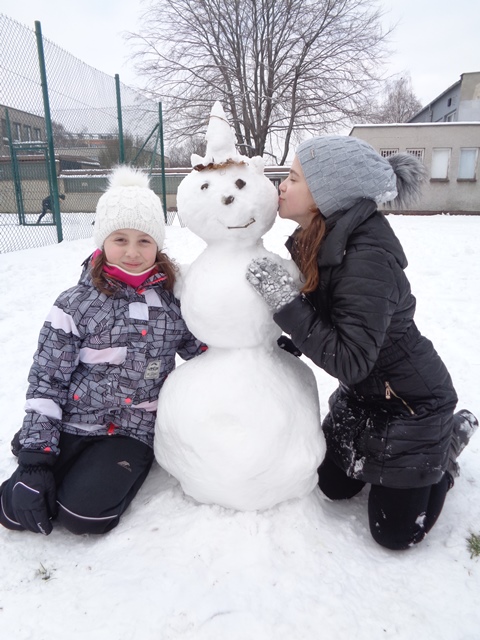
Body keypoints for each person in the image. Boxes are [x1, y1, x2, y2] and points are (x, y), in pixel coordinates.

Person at [246, 135, 478, 550]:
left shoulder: (366, 256)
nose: (282, 184)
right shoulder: (321, 239)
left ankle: (446, 450)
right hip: (365, 397)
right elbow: (334, 320)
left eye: (294, 178)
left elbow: (351, 359)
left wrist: (288, 307)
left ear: (327, 194)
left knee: (394, 534)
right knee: (330, 485)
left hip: (413, 404)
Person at [0, 166, 205, 536]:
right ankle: (37, 444)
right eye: (120, 239)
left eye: (144, 240)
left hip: (132, 428)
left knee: (85, 517)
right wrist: (35, 462)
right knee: (16, 511)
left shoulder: (174, 302)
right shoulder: (75, 303)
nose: (132, 252)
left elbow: (202, 351)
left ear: (158, 243)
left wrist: (255, 349)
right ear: (102, 241)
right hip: (75, 417)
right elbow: (47, 378)